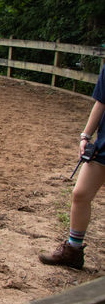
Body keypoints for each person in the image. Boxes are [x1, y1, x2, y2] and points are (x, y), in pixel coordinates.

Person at [39, 65, 105, 269]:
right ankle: (73, 251)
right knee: (80, 194)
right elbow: (101, 102)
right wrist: (86, 136)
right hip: (103, 146)